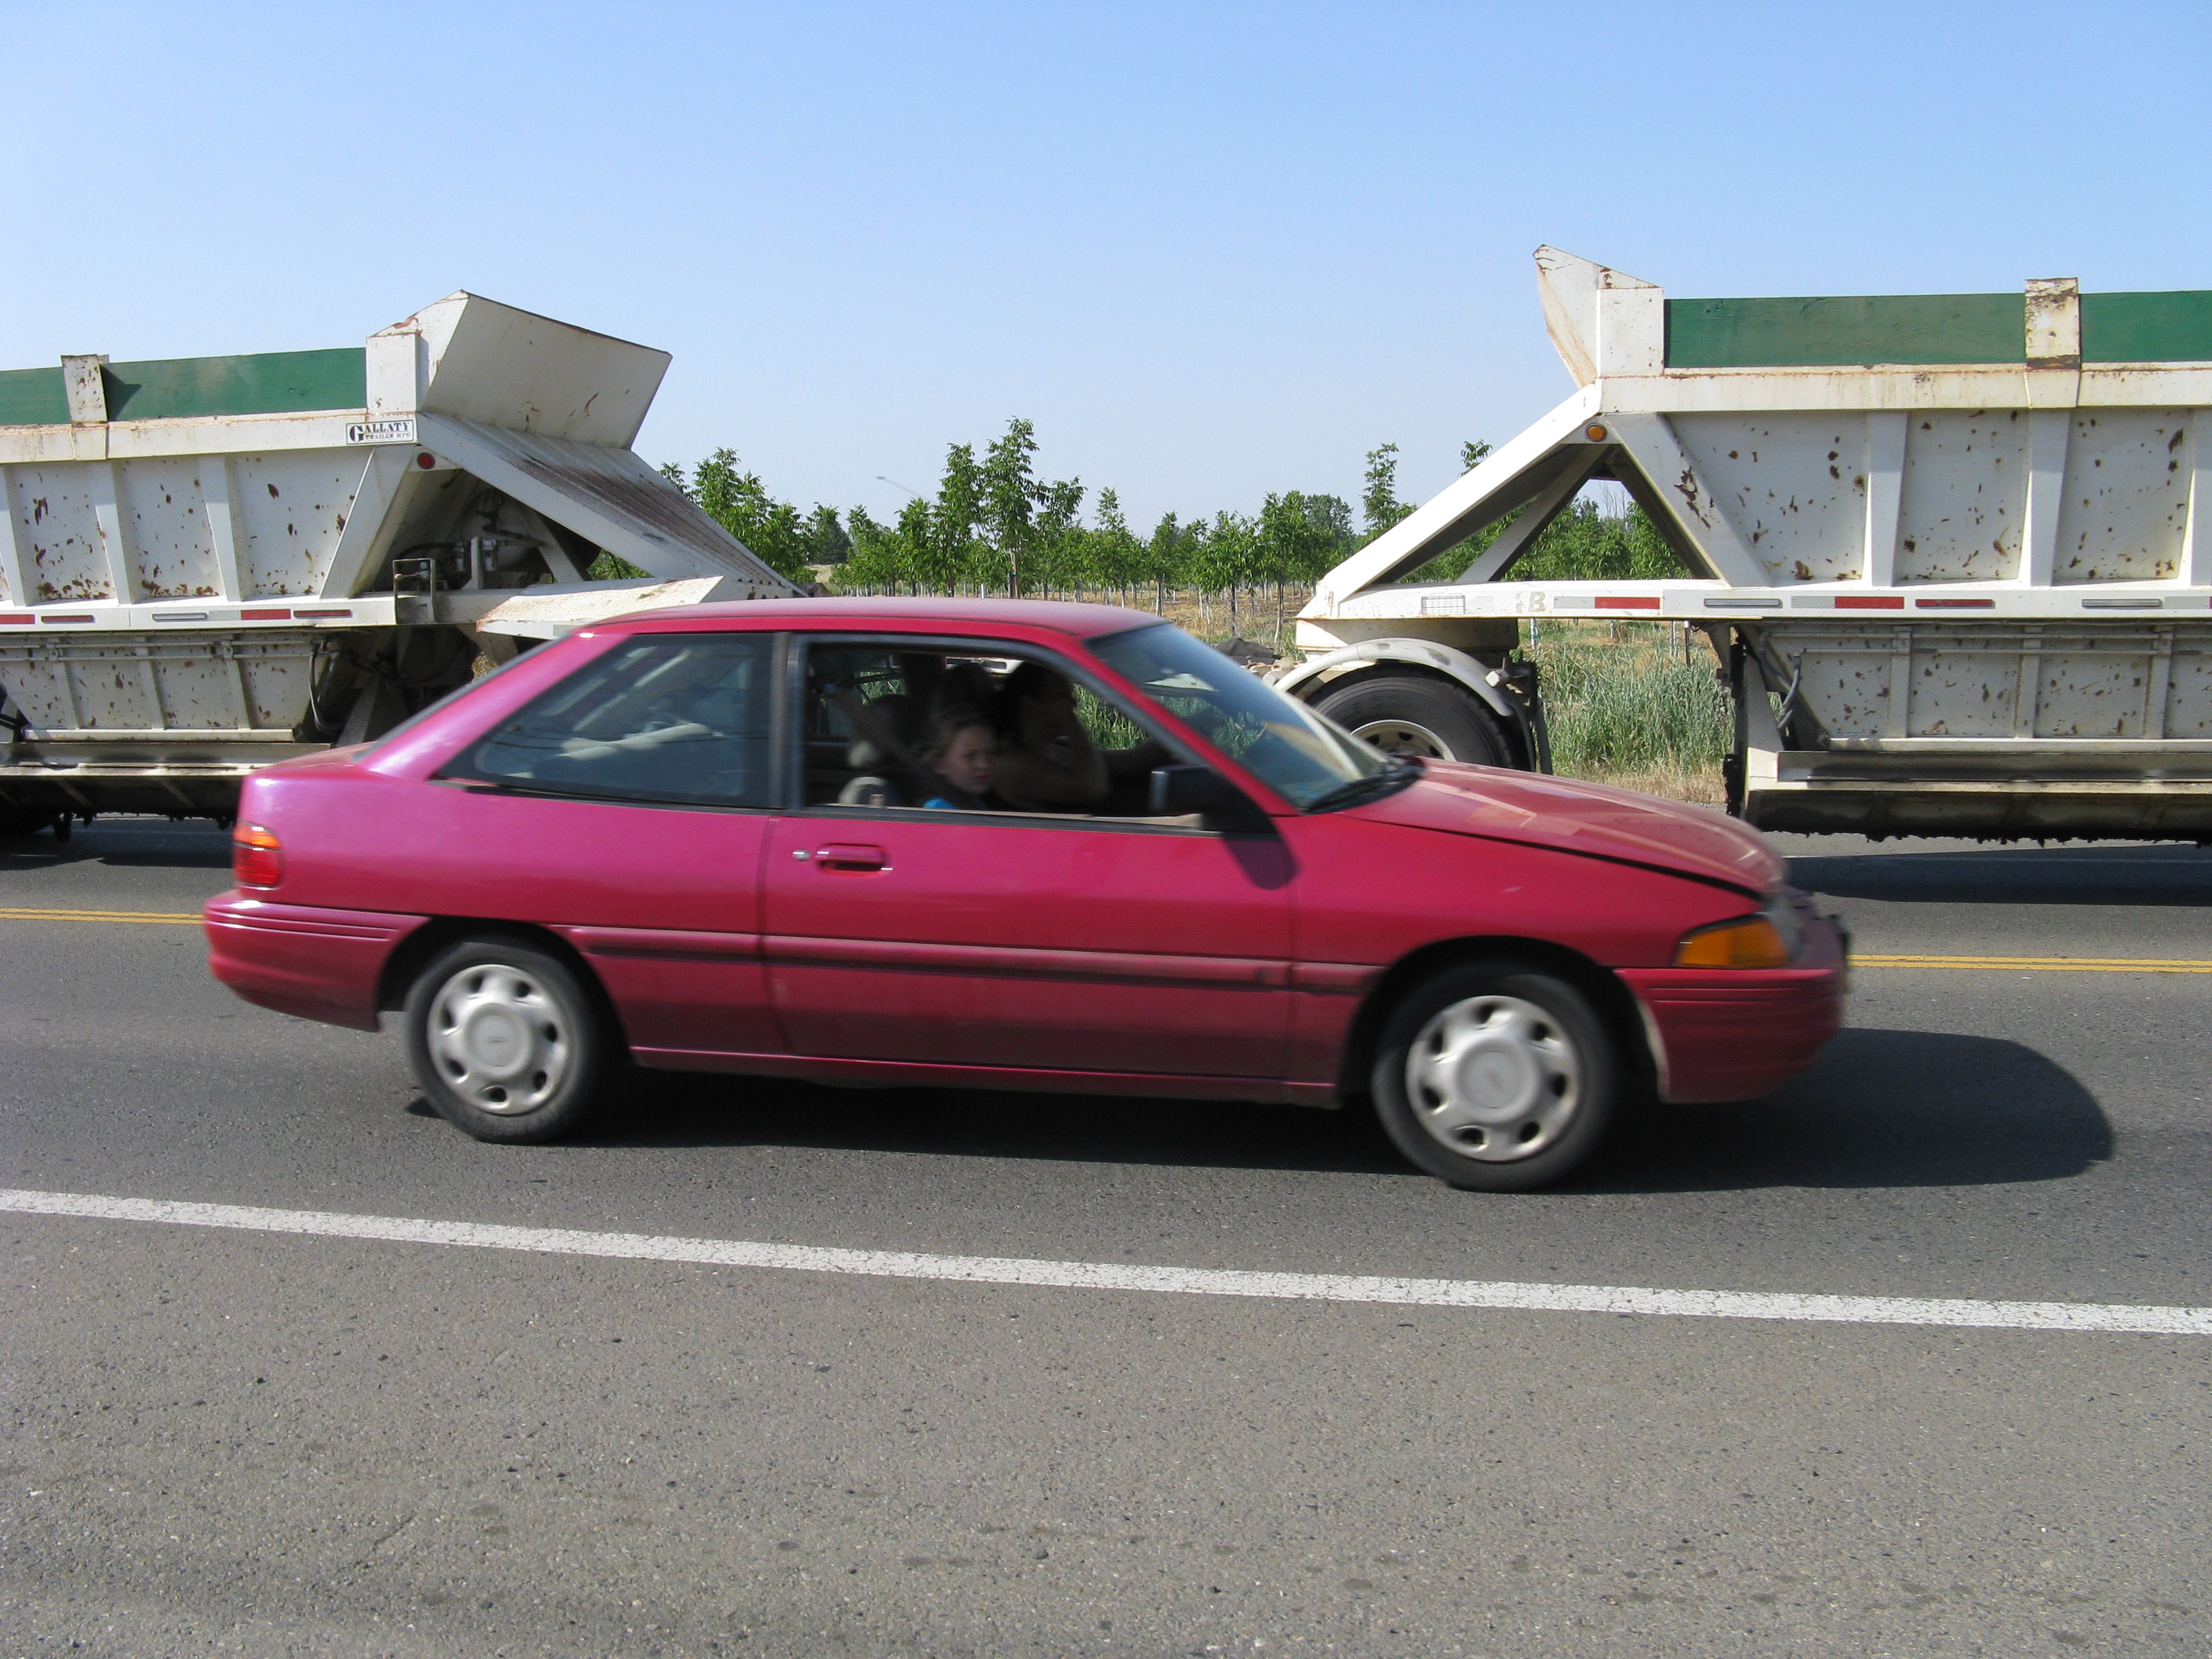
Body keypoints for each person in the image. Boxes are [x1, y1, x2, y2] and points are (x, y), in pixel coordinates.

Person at [918, 708, 1002, 811]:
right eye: (970, 756)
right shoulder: (938, 810)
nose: (983, 765)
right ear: (940, 765)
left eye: (990, 754)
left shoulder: (977, 804)